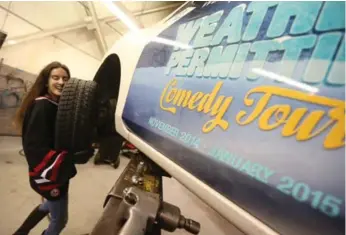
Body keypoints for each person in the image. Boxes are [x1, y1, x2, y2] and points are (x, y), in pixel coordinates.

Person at [13, 61, 94, 235]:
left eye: (65, 78)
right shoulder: (43, 106)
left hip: (57, 172)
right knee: (59, 221)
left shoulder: (57, 105)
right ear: (47, 81)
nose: (61, 82)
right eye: (55, 78)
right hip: (49, 174)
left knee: (47, 205)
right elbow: (34, 147)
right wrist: (71, 158)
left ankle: (20, 233)